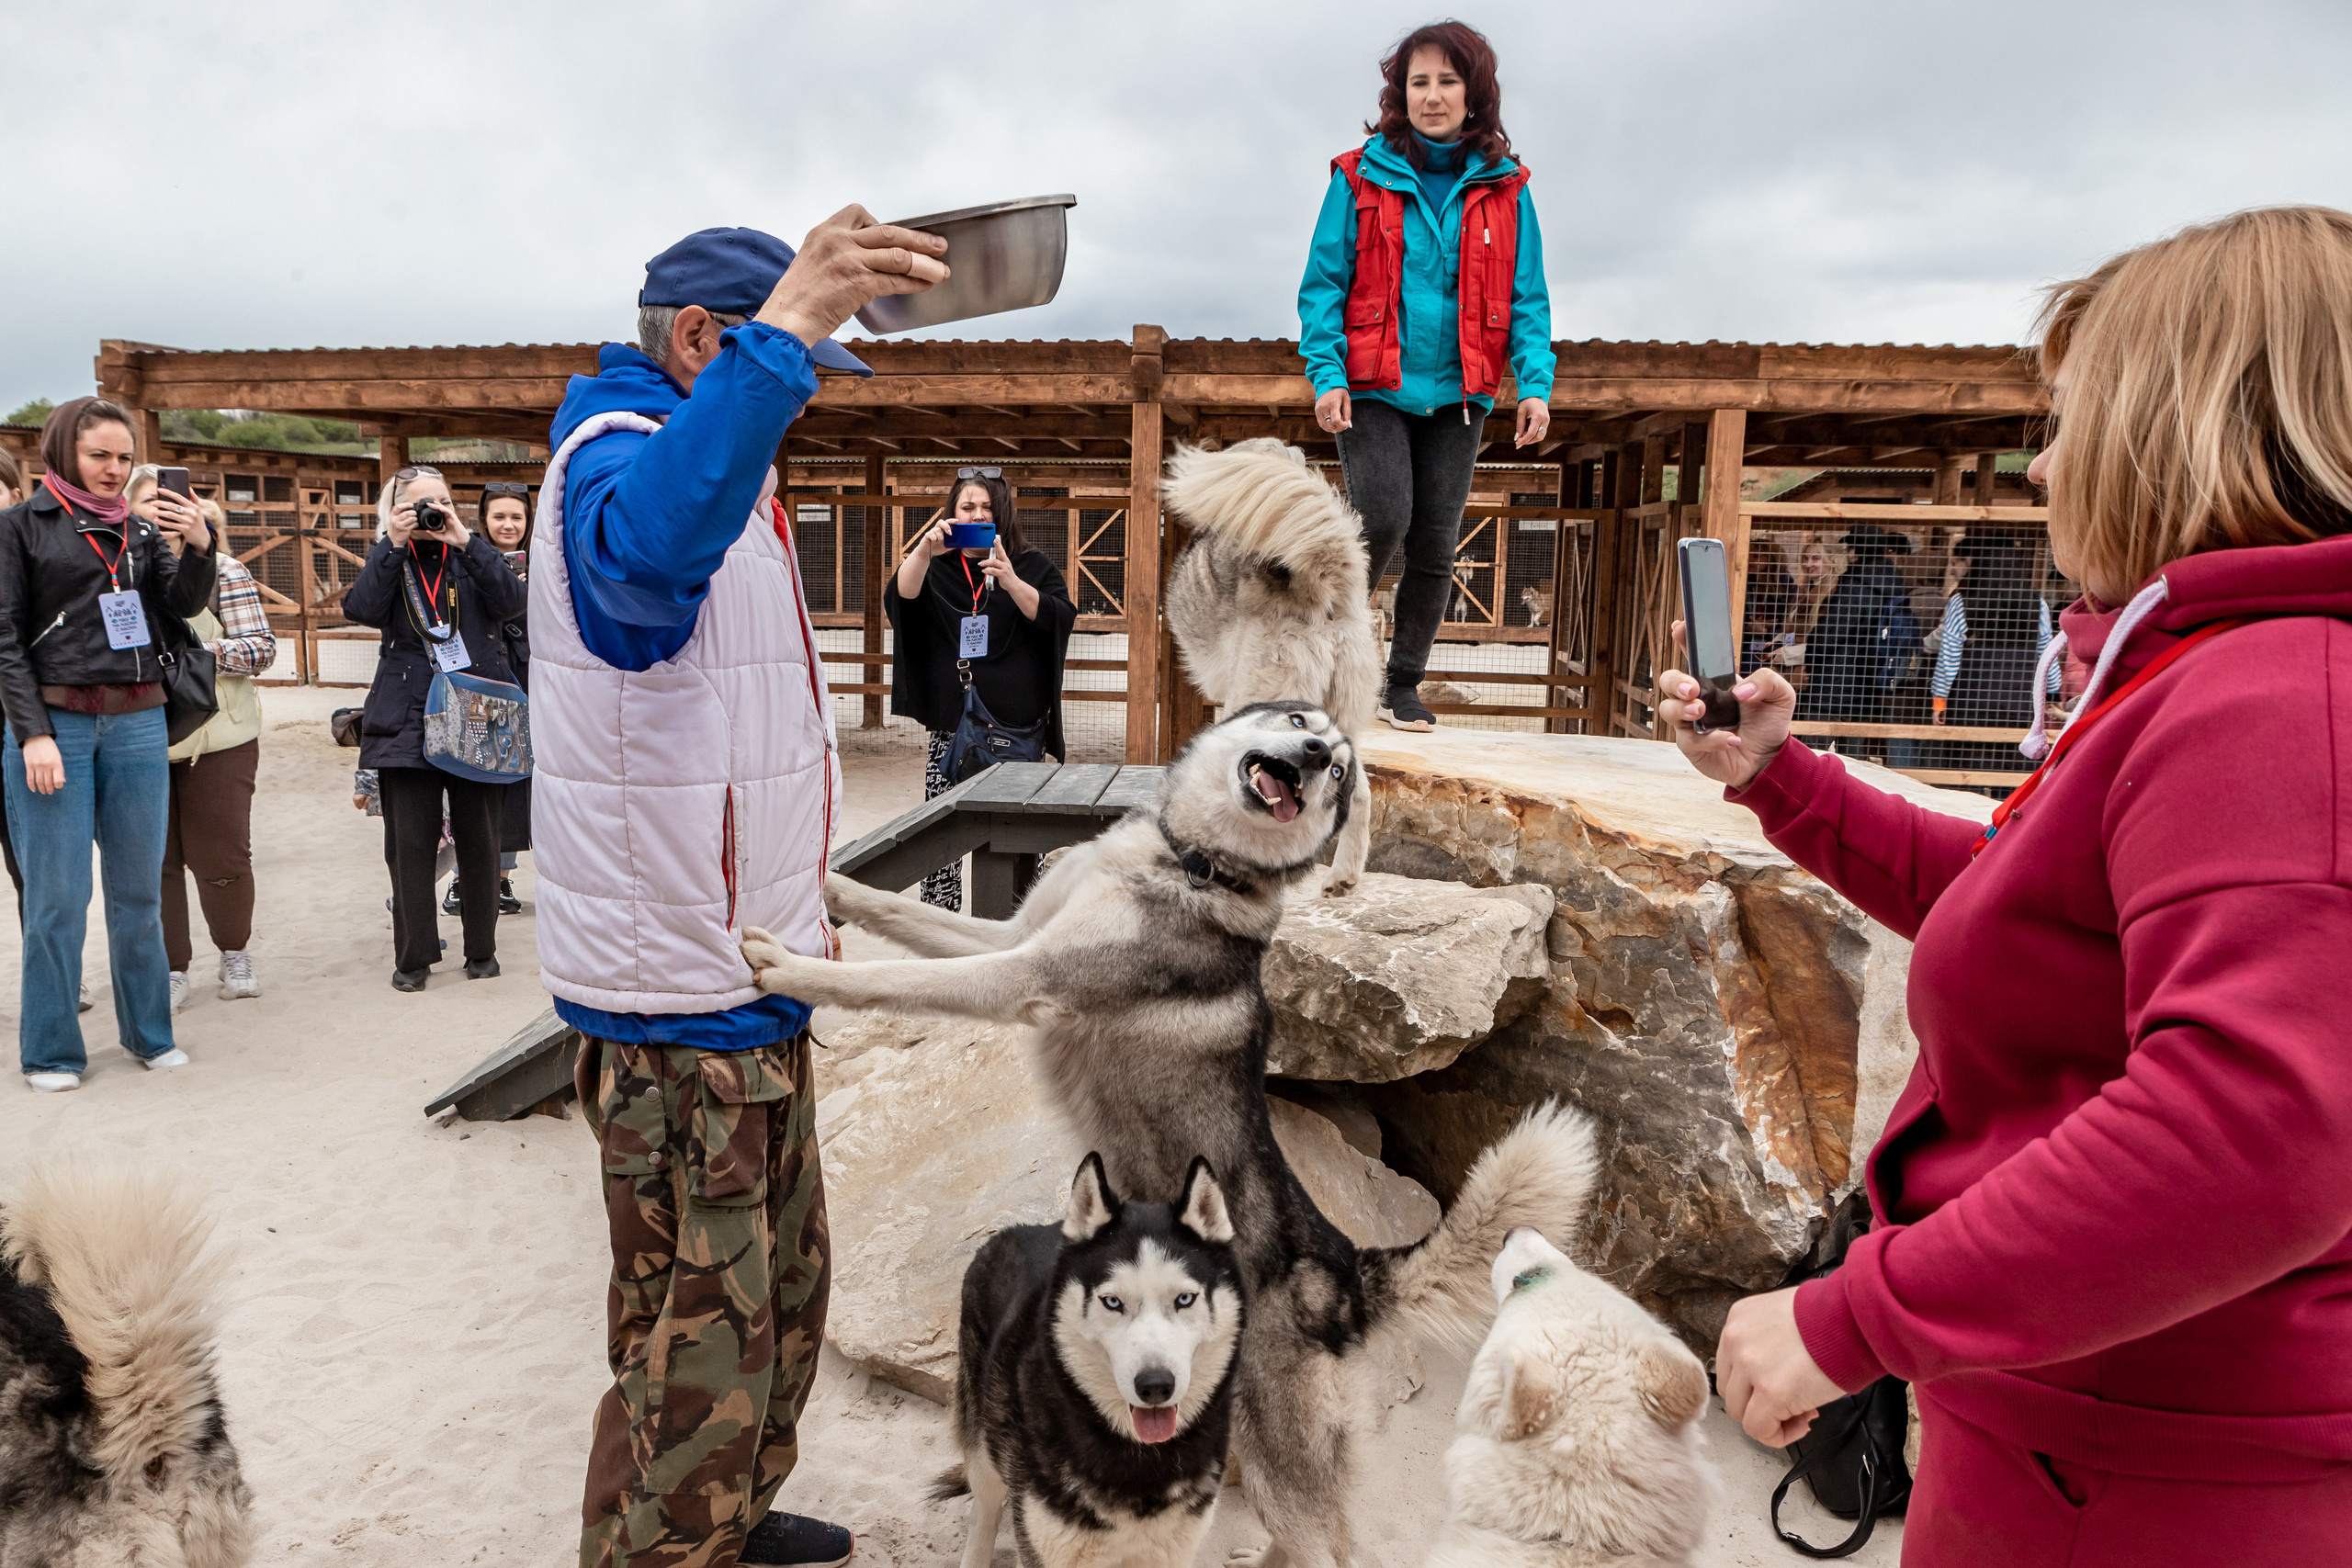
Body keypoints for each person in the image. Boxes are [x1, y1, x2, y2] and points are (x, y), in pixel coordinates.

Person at [1672, 206, 2352, 1564]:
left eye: (2068, 419)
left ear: (2179, 427)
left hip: (2141, 1472)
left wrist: (1856, 1313)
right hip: (2081, 1429)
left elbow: (2254, 1132)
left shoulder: (2278, 701)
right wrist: (1782, 779)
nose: (2041, 464)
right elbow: (2028, 912)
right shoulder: (2216, 668)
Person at [537, 214, 944, 1568]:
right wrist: (787, 335)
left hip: (748, 971)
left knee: (776, 1299)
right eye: (794, 363)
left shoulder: (719, 463)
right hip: (672, 999)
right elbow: (642, 572)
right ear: (707, 339)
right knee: (693, 1341)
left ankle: (736, 1516)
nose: (808, 393)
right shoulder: (613, 460)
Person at [1299, 19, 1555, 731]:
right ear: (1400, 93)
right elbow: (1323, 284)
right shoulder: (1358, 175)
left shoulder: (1508, 191)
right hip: (1374, 386)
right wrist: (1327, 373)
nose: (1433, 95)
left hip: (1459, 396)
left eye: (1448, 80)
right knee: (1383, 516)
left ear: (1474, 94)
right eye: (1419, 82)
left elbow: (1527, 298)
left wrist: (1534, 383)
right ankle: (1326, 655)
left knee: (1437, 542)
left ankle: (1401, 683)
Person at [0, 398, 217, 1091]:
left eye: (124, 457)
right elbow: (4, 638)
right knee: (58, 898)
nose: (113, 469)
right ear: (63, 451)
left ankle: (150, 1033)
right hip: (55, 724)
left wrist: (200, 547)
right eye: (99, 454)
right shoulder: (19, 527)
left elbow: (181, 607)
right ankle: (51, 1051)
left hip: (138, 722)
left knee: (139, 893)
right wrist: (32, 732)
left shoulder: (141, 530)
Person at [342, 463, 526, 991]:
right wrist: (393, 543)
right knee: (409, 846)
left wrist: (465, 540)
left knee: (481, 840)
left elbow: (513, 604)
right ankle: (414, 957)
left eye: (441, 501)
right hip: (406, 712)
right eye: (418, 504)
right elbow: (361, 609)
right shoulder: (389, 556)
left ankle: (481, 951)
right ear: (394, 510)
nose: (432, 512)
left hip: (477, 709)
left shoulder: (473, 553)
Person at [884, 466, 1075, 910]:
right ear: (952, 512)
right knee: (940, 844)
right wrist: (923, 550)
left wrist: (1011, 580)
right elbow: (900, 601)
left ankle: (1018, 930)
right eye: (967, 506)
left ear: (1002, 513)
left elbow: (1059, 619)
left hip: (1018, 736)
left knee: (1020, 842)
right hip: (954, 733)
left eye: (987, 507)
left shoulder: (1031, 565)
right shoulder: (935, 566)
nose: (977, 514)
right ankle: (940, 931)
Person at [122, 477, 276, 1008]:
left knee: (222, 856)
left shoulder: (224, 571)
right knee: (155, 861)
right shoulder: (112, 573)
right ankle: (171, 967)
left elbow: (262, 649)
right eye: (150, 500)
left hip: (219, 737)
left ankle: (234, 952)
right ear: (126, 509)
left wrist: (191, 655)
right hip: (136, 734)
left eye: (173, 501)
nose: (163, 511)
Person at [444, 480, 532, 919]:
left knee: (515, 782)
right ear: (483, 520)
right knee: (480, 779)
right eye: (499, 516)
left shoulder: (546, 562)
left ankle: (500, 878)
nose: (508, 524)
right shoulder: (463, 560)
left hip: (529, 680)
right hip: (482, 681)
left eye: (517, 516)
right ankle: (464, 877)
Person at [1928, 529, 2060, 779]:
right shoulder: (2036, 602)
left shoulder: (1962, 601)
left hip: (1972, 700)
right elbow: (2047, 652)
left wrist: (1939, 700)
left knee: (1967, 770)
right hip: (2020, 699)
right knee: (2012, 773)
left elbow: (1949, 656)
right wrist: (2053, 693)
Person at [1790, 523, 1917, 752]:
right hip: (1869, 683)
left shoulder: (1856, 584)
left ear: (1855, 551)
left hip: (1835, 683)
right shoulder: (1894, 584)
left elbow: (1831, 632)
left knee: (1811, 753)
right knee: (1854, 756)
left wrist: (1810, 661)